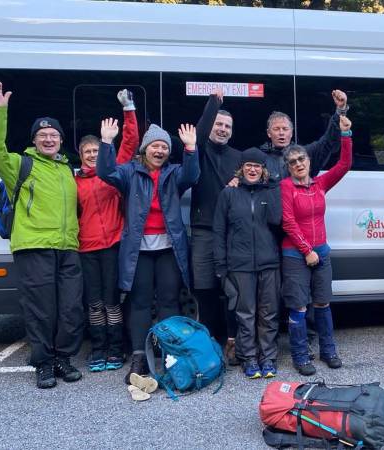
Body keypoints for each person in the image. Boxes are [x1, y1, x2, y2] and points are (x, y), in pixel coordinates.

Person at [0, 81, 84, 389]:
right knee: (41, 310)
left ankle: (63, 359)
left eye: (54, 135)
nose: (49, 139)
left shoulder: (67, 170)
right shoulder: (19, 165)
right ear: (35, 141)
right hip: (34, 246)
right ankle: (43, 363)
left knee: (70, 308)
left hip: (67, 247)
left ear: (61, 140)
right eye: (43, 135)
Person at [97, 118, 200, 383]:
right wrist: (106, 143)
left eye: (164, 147)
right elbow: (105, 173)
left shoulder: (174, 173)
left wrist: (190, 148)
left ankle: (168, 353)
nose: (160, 151)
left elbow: (192, 176)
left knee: (169, 302)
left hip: (168, 248)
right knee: (140, 303)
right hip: (139, 250)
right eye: (155, 146)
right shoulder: (130, 172)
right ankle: (139, 356)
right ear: (144, 149)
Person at [280, 115, 352, 376]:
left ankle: (328, 350)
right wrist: (306, 250)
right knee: (298, 306)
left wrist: (346, 135)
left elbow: (344, 164)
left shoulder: (320, 183)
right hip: (295, 255)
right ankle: (300, 356)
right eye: (292, 162)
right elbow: (287, 222)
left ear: (309, 162)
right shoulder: (285, 187)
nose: (298, 164)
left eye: (301, 159)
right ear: (288, 167)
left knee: (322, 303)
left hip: (321, 251)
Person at [76, 89, 138, 372]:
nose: (91, 155)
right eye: (87, 152)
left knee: (112, 302)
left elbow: (130, 142)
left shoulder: (111, 175)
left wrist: (128, 110)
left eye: (95, 151)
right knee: (94, 302)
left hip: (112, 244)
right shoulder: (74, 181)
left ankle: (115, 350)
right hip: (86, 247)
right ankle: (97, 350)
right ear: (80, 156)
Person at [213, 148, 281, 379]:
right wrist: (221, 266)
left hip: (269, 262)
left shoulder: (271, 191)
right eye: (248, 165)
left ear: (264, 170)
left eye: (258, 166)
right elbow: (219, 231)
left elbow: (278, 220)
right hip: (239, 264)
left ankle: (268, 357)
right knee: (246, 313)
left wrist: (271, 186)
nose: (253, 169)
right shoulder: (228, 194)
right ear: (241, 168)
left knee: (269, 313)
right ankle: (249, 357)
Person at [191, 88, 243, 365]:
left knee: (232, 289)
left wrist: (241, 183)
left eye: (227, 126)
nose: (222, 129)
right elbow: (198, 136)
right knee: (204, 288)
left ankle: (232, 342)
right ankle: (210, 342)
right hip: (203, 230)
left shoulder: (238, 157)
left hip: (232, 233)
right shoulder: (199, 151)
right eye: (218, 124)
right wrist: (213, 104)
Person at [260, 90, 348, 183]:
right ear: (269, 133)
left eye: (285, 129)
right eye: (276, 129)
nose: (281, 133)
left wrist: (340, 110)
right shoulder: (258, 158)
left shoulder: (305, 154)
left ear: (291, 132)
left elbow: (328, 141)